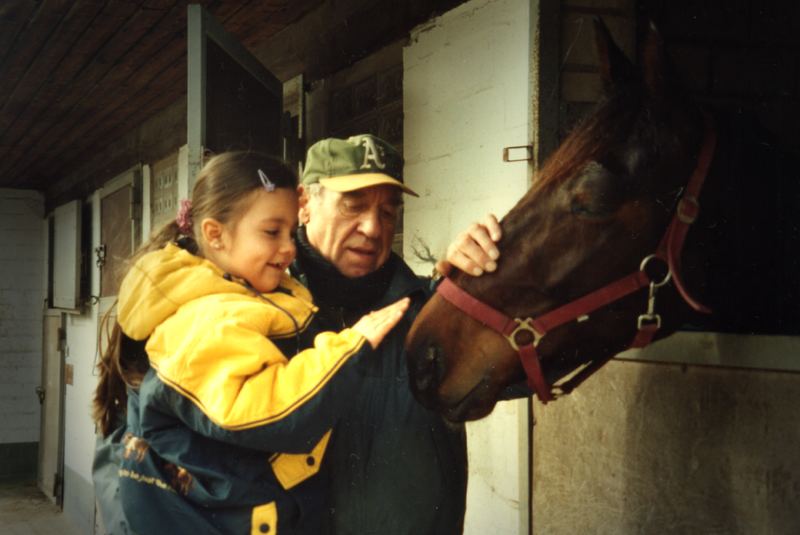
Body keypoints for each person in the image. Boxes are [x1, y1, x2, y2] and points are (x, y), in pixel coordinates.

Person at [92, 151, 412, 535]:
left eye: (289, 232)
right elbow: (262, 407)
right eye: (271, 232)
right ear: (215, 234)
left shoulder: (239, 290)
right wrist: (349, 349)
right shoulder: (204, 315)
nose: (289, 248)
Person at [293, 134, 501, 535]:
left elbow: (525, 370)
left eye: (388, 213)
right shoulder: (257, 310)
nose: (373, 228)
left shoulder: (431, 314)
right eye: (353, 206)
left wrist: (486, 291)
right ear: (304, 205)